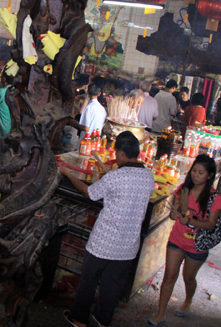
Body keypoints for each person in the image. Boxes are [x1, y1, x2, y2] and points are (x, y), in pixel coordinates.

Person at [60, 131, 155, 327]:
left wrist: (67, 173)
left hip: (104, 242)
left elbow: (89, 193)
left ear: (121, 154)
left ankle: (79, 320)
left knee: (88, 281)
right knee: (112, 287)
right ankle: (102, 321)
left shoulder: (116, 177)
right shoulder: (148, 177)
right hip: (128, 247)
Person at [147, 155, 221, 326]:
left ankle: (188, 300)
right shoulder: (184, 189)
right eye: (194, 171)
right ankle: (161, 313)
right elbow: (177, 211)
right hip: (177, 239)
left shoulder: (214, 197)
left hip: (197, 245)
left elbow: (210, 225)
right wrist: (174, 215)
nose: (195, 175)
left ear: (209, 176)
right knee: (169, 276)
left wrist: (190, 221)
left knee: (188, 278)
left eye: (201, 173)